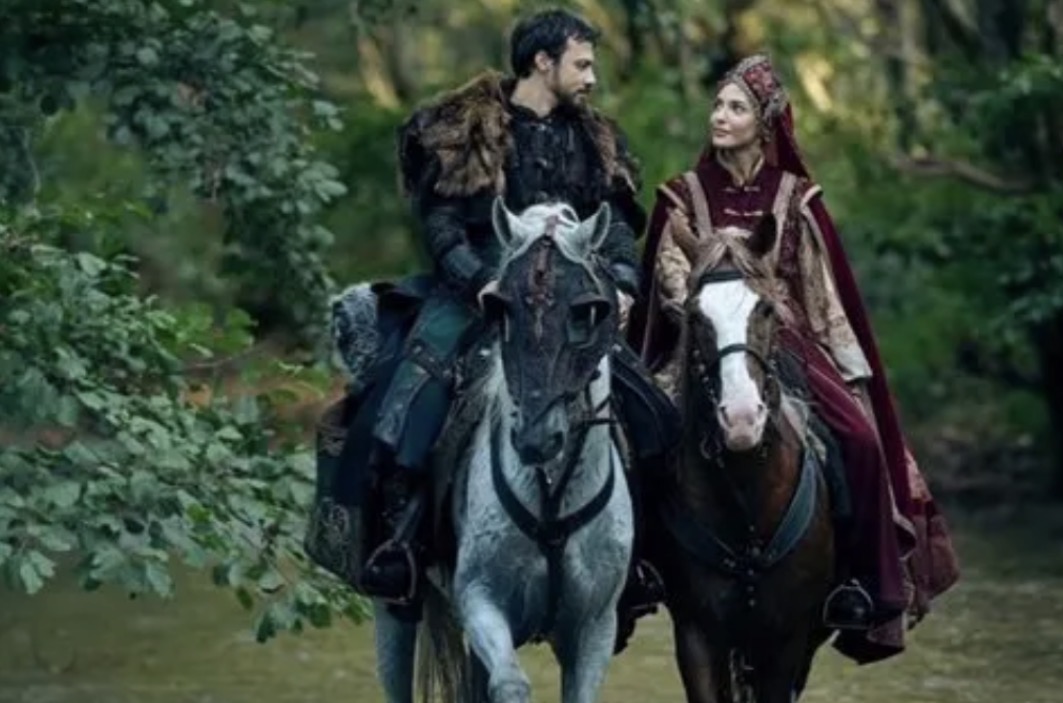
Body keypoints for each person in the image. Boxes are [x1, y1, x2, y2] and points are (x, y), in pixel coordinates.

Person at [319, 9, 674, 702]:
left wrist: (622, 284)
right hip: (481, 293)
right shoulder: (466, 129)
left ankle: (638, 563)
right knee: (405, 395)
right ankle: (400, 546)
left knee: (652, 412)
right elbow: (441, 222)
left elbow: (617, 232)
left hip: (570, 305)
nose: (591, 77)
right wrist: (477, 279)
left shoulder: (597, 140)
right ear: (542, 62)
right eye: (582, 63)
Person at [627, 54, 960, 664]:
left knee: (859, 440)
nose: (719, 117)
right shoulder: (682, 195)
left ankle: (860, 584)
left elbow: (820, 288)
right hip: (700, 338)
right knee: (639, 435)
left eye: (736, 108)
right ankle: (638, 572)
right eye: (717, 105)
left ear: (765, 122)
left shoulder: (796, 197)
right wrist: (704, 306)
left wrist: (843, 360)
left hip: (784, 338)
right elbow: (668, 277)